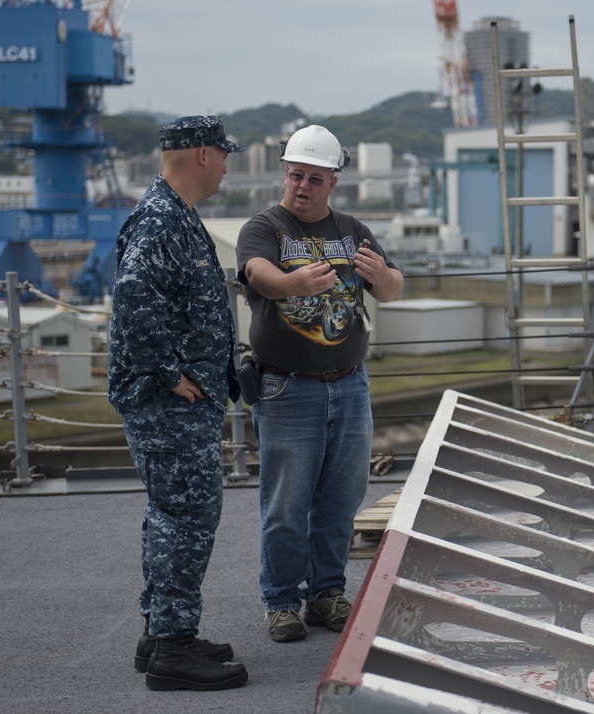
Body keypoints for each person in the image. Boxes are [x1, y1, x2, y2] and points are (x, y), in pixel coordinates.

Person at [236, 124, 403, 642]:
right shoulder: (264, 226)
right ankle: (282, 601)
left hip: (349, 384)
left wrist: (380, 274)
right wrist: (294, 283)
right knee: (286, 503)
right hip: (288, 388)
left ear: (333, 182)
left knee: (339, 499)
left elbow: (394, 290)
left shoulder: (353, 230)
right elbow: (257, 273)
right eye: (294, 175)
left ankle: (327, 592)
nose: (301, 186)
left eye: (313, 178)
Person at [108, 115, 249, 691]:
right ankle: (172, 647)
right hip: (168, 402)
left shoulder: (174, 214)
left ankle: (164, 633)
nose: (226, 164)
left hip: (180, 398)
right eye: (223, 154)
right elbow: (135, 296)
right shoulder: (163, 218)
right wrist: (170, 376)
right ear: (201, 156)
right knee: (188, 514)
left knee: (173, 513)